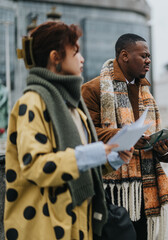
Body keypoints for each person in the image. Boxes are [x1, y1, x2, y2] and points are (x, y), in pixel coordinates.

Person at [5, 21, 134, 240]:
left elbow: (77, 165)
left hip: (77, 223)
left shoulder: (74, 107)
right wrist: (93, 153)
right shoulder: (32, 102)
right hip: (44, 227)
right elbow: (36, 166)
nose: (82, 59)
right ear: (55, 57)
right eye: (75, 53)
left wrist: (111, 159)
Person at [81, 33, 168, 240]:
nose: (148, 61)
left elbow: (151, 135)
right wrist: (125, 136)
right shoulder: (92, 89)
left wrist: (163, 148)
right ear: (124, 56)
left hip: (145, 188)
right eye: (143, 56)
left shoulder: (145, 92)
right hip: (112, 188)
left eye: (149, 56)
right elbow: (86, 133)